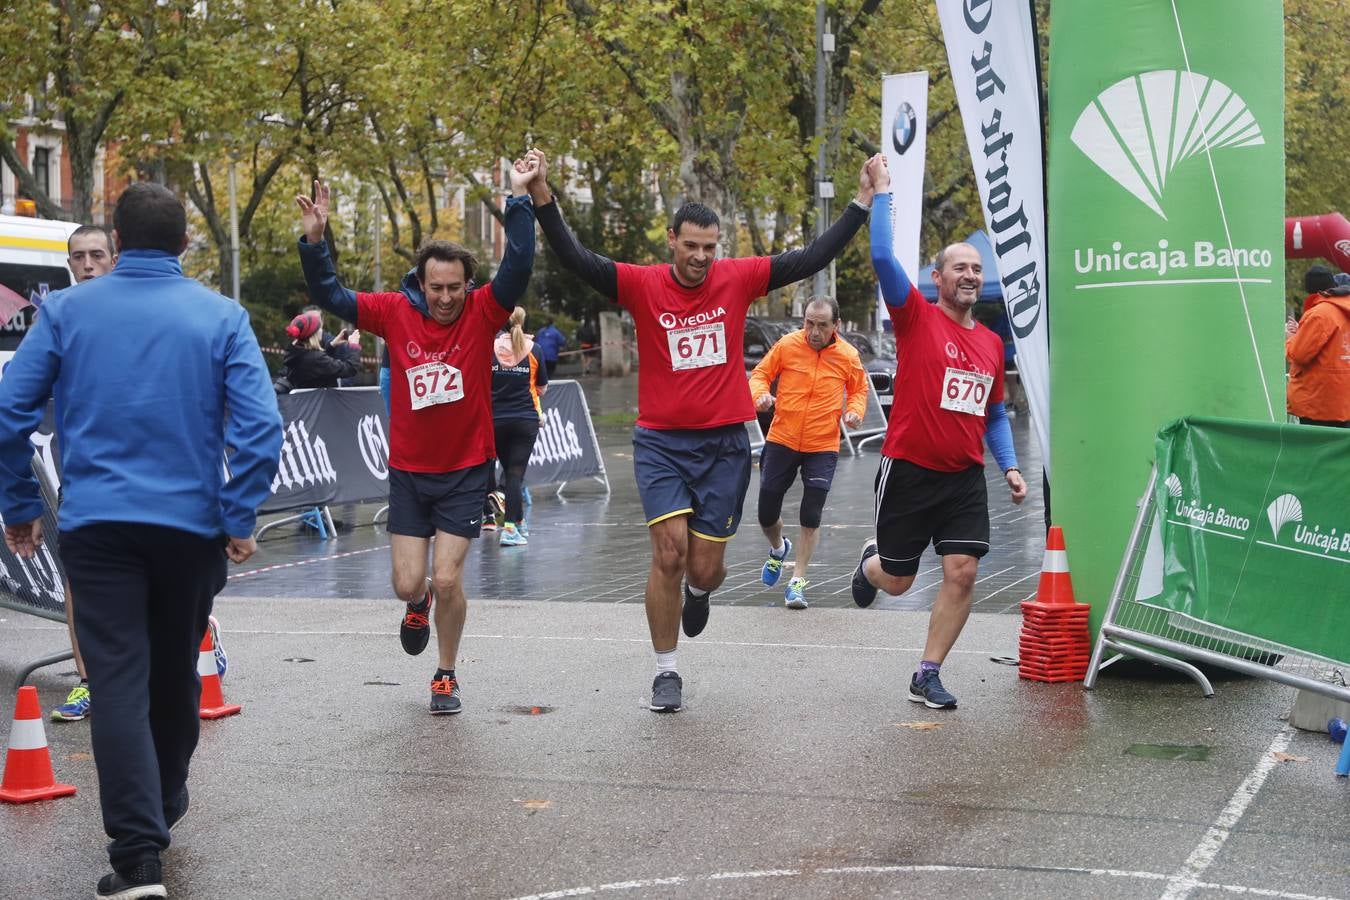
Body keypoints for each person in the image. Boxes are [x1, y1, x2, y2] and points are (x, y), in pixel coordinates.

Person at [0, 182, 282, 899]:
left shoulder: (65, 311)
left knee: (118, 680)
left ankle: (136, 859)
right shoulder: (221, 316)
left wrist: (20, 502)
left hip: (99, 528)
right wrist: (238, 512)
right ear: (186, 243)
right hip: (190, 528)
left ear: (116, 244)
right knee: (174, 675)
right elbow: (259, 428)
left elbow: (8, 413)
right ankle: (165, 802)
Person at [523, 147, 878, 712]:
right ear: (672, 240)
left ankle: (696, 592)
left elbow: (809, 259)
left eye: (709, 249)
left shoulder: (737, 279)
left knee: (705, 569)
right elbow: (576, 259)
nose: (699, 258)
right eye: (690, 246)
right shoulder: (641, 285)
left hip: (724, 446)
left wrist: (862, 202)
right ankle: (666, 670)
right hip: (661, 442)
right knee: (667, 552)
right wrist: (540, 193)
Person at [295, 158, 536, 715]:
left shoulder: (482, 312)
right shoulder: (394, 313)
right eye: (436, 287)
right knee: (411, 583)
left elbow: (519, 262)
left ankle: (446, 675)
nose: (446, 298)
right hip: (408, 471)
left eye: (454, 287)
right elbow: (331, 295)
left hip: (465, 470)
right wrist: (315, 241)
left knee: (448, 577)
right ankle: (417, 604)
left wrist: (520, 200)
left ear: (467, 285)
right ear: (420, 283)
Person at [852, 156, 1027, 711]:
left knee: (963, 571)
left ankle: (928, 672)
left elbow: (994, 413)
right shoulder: (916, 317)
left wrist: (1011, 466)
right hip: (908, 470)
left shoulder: (993, 345)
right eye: (960, 268)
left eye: (977, 268)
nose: (971, 275)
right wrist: (882, 192)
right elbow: (882, 255)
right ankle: (869, 564)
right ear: (938, 277)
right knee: (899, 583)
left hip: (962, 478)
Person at [48, 227, 230, 724]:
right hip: (90, 480)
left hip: (167, 482)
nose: (87, 264)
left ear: (117, 257)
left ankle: (192, 643)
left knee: (165, 592)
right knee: (79, 583)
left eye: (96, 255)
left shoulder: (156, 312)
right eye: (78, 257)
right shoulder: (62, 317)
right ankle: (91, 682)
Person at [749, 296, 867, 609]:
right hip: (782, 438)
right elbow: (760, 374)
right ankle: (778, 548)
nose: (814, 331)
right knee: (766, 511)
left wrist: (854, 412)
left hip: (822, 445)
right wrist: (759, 394)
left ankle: (797, 581)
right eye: (809, 323)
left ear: (836, 326)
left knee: (810, 514)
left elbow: (858, 390)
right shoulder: (787, 345)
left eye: (822, 325)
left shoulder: (848, 355)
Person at [487, 306, 548, 546]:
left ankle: (519, 523)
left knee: (510, 472)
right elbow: (542, 387)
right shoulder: (535, 350)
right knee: (514, 474)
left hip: (495, 420)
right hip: (525, 419)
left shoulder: (488, 348)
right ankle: (510, 529)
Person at [1286, 267, 1350, 427]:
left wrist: (1290, 338)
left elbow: (1298, 354)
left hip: (1319, 402)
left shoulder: (1320, 314)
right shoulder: (1342, 310)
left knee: (1317, 450)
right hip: (1343, 401)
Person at [279, 309, 361, 390]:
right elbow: (350, 369)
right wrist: (354, 346)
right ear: (314, 334)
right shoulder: (316, 359)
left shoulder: (294, 352)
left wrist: (331, 345)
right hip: (321, 402)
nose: (321, 330)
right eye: (319, 328)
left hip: (304, 401)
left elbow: (311, 359)